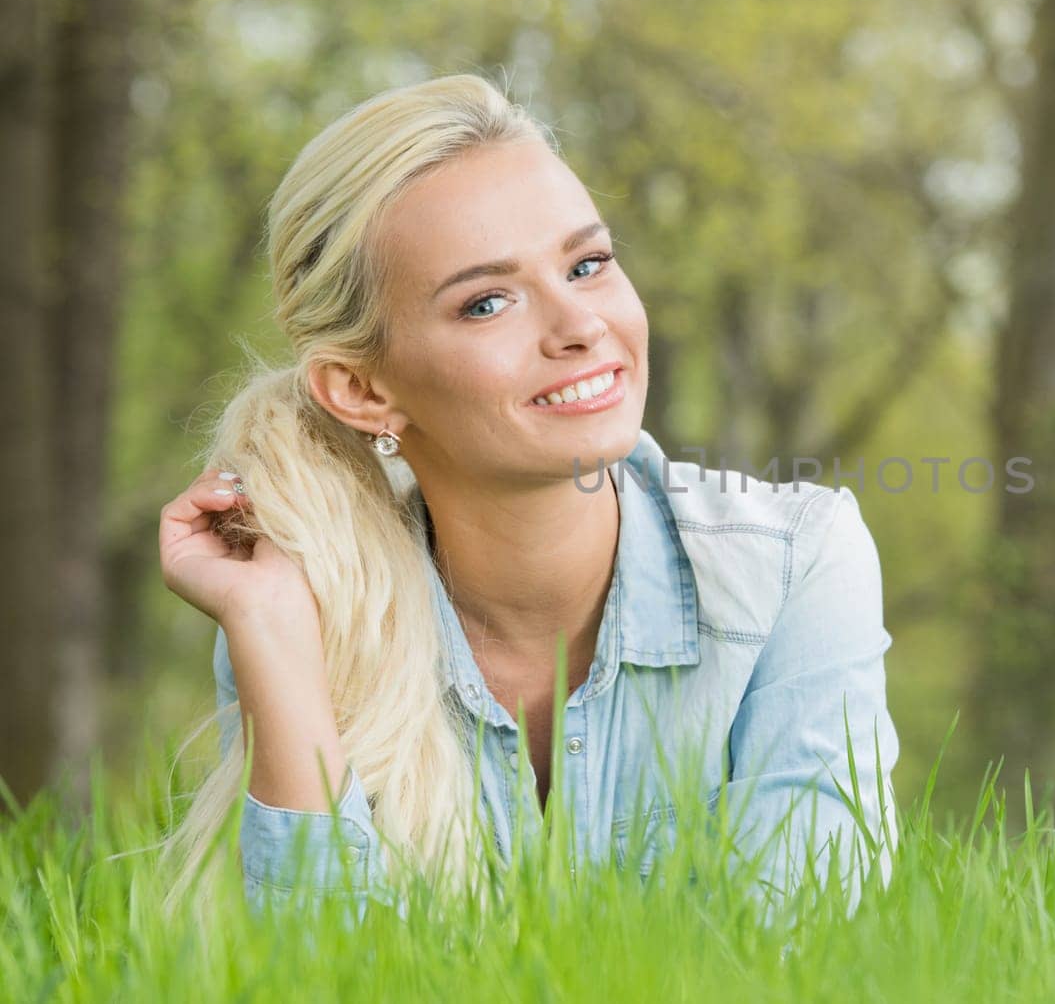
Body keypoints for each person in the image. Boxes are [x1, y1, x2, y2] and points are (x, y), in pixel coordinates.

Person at [154, 74, 899, 919]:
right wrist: (270, 633)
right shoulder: (306, 603)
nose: (579, 323)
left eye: (588, 264)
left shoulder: (794, 563)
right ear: (362, 390)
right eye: (487, 302)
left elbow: (801, 946)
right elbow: (307, 973)